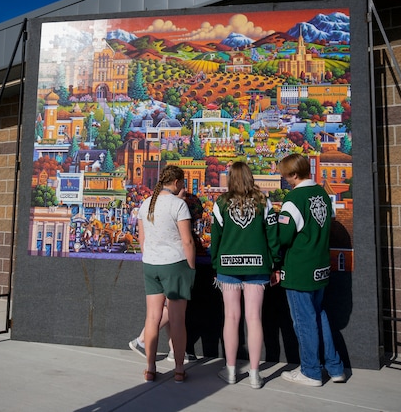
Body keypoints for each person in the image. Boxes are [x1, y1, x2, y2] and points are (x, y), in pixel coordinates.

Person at [274, 153, 346, 387]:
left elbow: (284, 237)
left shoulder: (294, 199)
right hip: (321, 265)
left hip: (300, 268)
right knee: (319, 316)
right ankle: (335, 367)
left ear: (294, 174)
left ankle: (311, 371)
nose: (284, 179)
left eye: (286, 175)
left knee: (304, 321)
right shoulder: (323, 194)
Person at [210, 161, 278, 388]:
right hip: (258, 266)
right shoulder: (263, 201)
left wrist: (215, 263)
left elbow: (216, 238)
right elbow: (272, 236)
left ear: (230, 178)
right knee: (254, 318)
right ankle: (255, 374)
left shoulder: (220, 203)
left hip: (228, 267)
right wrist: (275, 262)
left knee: (231, 317)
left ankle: (230, 371)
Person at [137, 165, 196, 383]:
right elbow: (187, 240)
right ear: (177, 182)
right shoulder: (178, 205)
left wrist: (151, 256)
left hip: (151, 265)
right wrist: (191, 266)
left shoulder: (145, 204)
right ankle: (179, 370)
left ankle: (150, 368)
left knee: (152, 318)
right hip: (175, 264)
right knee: (178, 320)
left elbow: (142, 241)